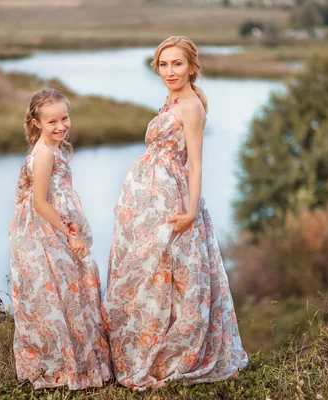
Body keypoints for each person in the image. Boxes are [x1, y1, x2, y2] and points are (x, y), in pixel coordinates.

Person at [102, 36, 248, 390]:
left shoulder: (191, 107)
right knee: (149, 273)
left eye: (177, 64)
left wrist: (190, 212)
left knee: (171, 273)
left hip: (174, 202)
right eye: (163, 64)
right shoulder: (171, 99)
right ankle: (143, 345)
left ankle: (170, 355)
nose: (170, 71)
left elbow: (195, 164)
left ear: (192, 67)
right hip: (150, 202)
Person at [9, 88, 111, 390]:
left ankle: (79, 364)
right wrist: (71, 233)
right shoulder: (43, 155)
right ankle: (61, 367)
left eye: (64, 118)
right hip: (47, 233)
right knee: (58, 295)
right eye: (52, 121)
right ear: (37, 122)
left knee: (71, 292)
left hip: (54, 228)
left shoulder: (52, 149)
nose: (60, 126)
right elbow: (40, 202)